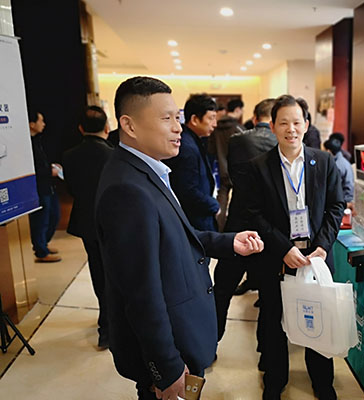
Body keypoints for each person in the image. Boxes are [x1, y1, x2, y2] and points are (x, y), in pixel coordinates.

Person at [95, 76, 264, 400]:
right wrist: (167, 367)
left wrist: (228, 242)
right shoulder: (126, 189)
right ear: (129, 125)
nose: (177, 128)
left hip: (183, 333)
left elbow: (173, 236)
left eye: (178, 117)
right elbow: (141, 293)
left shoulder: (148, 170)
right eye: (166, 119)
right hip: (170, 349)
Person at [247, 95, 345, 400]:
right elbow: (253, 214)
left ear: (306, 124)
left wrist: (323, 246)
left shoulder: (323, 161)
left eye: (297, 122)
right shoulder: (259, 166)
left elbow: (336, 206)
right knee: (274, 320)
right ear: (272, 126)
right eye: (284, 123)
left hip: (315, 256)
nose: (291, 129)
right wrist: (282, 249)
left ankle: (322, 382)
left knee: (319, 318)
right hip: (277, 258)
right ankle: (275, 380)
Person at [214, 98, 278, 340]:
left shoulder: (237, 141)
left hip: (238, 224)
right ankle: (266, 351)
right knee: (270, 296)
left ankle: (211, 343)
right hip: (270, 228)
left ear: (254, 118)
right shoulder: (281, 143)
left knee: (222, 289)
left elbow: (231, 176)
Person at [62, 105, 114, 349]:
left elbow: (71, 189)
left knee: (98, 270)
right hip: (113, 222)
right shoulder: (114, 156)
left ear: (81, 128)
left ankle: (106, 325)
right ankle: (112, 324)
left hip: (86, 221)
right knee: (116, 272)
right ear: (107, 127)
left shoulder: (69, 156)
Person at [164, 94, 219, 232]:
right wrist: (213, 205)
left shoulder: (192, 140)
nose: (215, 124)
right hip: (195, 220)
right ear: (194, 119)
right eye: (211, 118)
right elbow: (187, 191)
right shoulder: (187, 148)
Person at [28, 108, 61, 262]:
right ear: (32, 124)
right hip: (38, 187)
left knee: (54, 215)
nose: (43, 124)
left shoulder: (38, 141)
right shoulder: (27, 145)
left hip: (48, 185)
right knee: (41, 220)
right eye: (40, 121)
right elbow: (32, 169)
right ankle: (41, 251)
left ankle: (44, 244)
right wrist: (49, 171)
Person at [209, 98, 245, 231]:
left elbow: (210, 149)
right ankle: (233, 229)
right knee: (238, 201)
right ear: (237, 110)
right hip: (236, 170)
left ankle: (218, 227)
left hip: (220, 169)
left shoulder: (215, 128)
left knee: (222, 199)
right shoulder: (238, 129)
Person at [324, 134, 354, 207]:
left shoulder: (337, 165)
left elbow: (333, 188)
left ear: (328, 151)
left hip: (344, 200)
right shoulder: (342, 160)